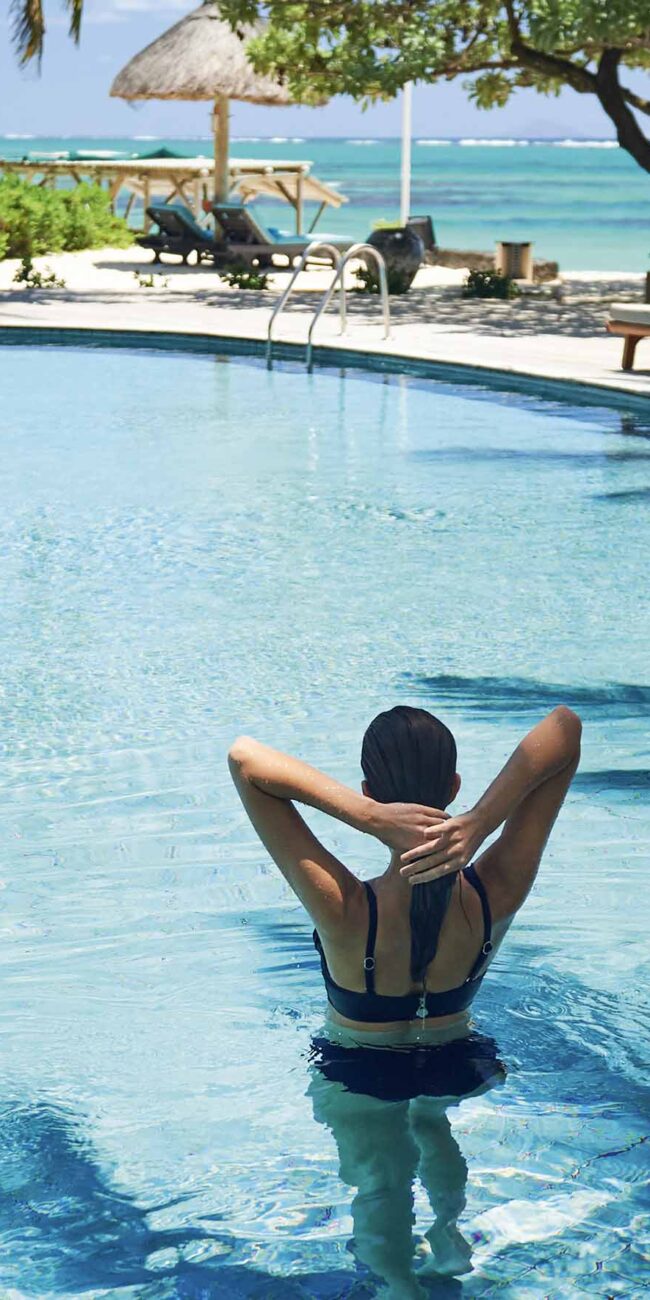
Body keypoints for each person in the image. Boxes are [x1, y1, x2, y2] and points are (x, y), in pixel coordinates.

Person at [228, 704, 581, 1295]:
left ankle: (398, 1286)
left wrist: (368, 818)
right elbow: (565, 729)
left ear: (370, 792)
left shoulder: (346, 911)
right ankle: (449, 1236)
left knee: (379, 1183)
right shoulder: (495, 893)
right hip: (458, 1058)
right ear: (454, 786)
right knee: (433, 1119)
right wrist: (480, 822)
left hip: (360, 1072)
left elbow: (245, 760)